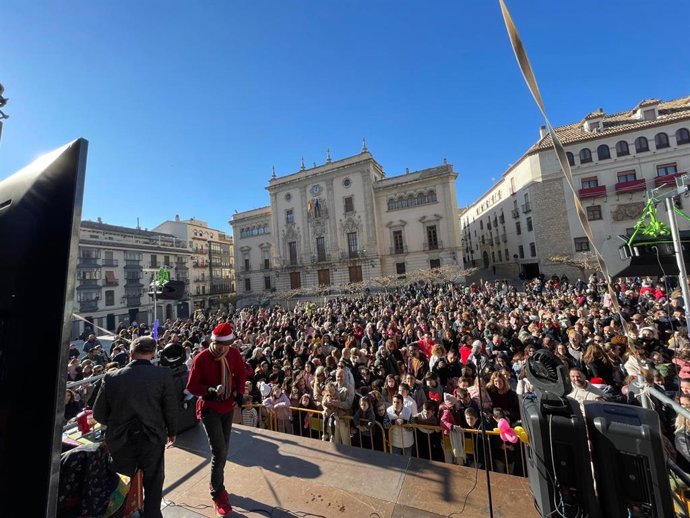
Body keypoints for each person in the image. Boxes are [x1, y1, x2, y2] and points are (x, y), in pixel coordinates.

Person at [92, 336, 177, 518]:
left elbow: (98, 414)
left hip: (120, 441)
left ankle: (117, 514)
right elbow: (170, 409)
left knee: (120, 485)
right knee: (153, 483)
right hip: (152, 439)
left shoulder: (111, 377)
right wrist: (172, 432)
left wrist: (117, 422)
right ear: (153, 353)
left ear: (131, 354)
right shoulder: (163, 375)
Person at [186, 322, 247, 517]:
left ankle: (216, 482)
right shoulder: (201, 358)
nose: (222, 349)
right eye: (219, 345)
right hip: (210, 409)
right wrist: (210, 391)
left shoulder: (234, 354)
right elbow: (192, 386)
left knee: (224, 450)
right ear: (213, 342)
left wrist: (239, 393)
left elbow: (240, 374)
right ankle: (218, 492)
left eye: (225, 345)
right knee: (219, 452)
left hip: (227, 407)